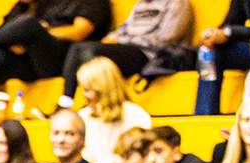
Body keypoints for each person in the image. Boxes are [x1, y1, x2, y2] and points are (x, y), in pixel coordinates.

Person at [0, 0, 113, 121]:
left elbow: (80, 32)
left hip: (65, 59)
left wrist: (45, 32)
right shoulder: (46, 3)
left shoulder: (93, 1)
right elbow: (16, 24)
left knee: (31, 25)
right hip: (34, 58)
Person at [59, 0, 193, 99]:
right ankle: (66, 101)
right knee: (78, 47)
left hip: (150, 55)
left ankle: (98, 101)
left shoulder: (176, 3)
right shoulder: (141, 4)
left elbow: (167, 39)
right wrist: (113, 37)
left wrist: (127, 40)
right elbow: (124, 28)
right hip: (129, 47)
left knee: (93, 52)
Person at [72, 56, 153, 163]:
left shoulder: (136, 115)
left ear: (102, 89)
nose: (84, 96)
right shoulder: (82, 117)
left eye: (87, 90)